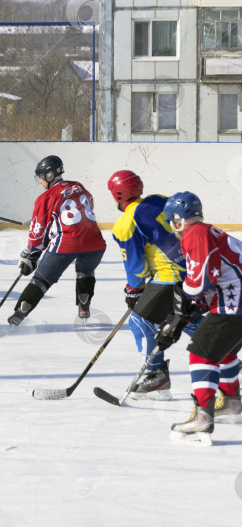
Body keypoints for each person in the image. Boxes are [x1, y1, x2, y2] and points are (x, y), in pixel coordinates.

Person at [155, 192, 242, 442]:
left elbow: (201, 280)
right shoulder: (207, 230)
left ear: (177, 219)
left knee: (201, 352)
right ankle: (232, 403)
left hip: (234, 301)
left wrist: (183, 307)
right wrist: (192, 307)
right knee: (223, 351)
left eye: (171, 220)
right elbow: (214, 274)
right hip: (234, 298)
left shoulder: (195, 234)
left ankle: (203, 416)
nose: (171, 226)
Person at [107, 170, 200, 400]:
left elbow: (135, 264)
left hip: (170, 275)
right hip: (192, 266)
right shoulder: (158, 198)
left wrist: (134, 288)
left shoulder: (125, 223)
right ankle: (227, 357)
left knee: (140, 320)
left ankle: (155, 375)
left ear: (117, 195)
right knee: (183, 318)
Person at [8, 155, 106, 326]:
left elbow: (38, 232)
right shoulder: (78, 186)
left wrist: (30, 254)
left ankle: (21, 311)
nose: (39, 181)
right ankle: (84, 301)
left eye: (40, 177)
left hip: (66, 243)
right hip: (95, 242)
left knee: (42, 280)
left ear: (49, 176)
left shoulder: (45, 198)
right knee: (85, 271)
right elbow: (87, 204)